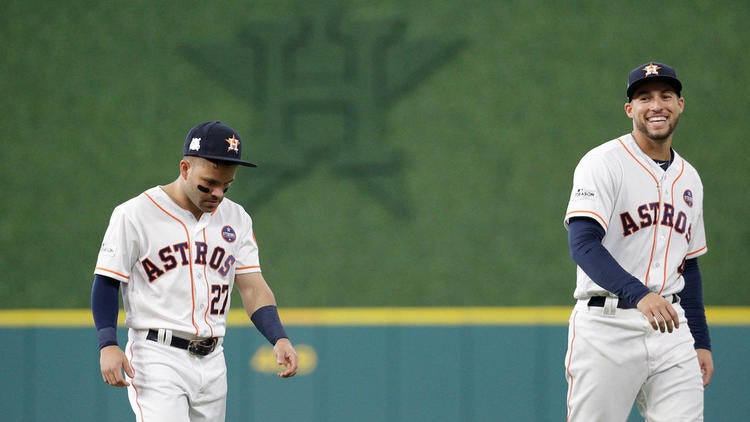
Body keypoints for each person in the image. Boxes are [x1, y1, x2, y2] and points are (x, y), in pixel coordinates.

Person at [91, 121, 298, 421]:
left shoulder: (236, 218)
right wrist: (107, 344)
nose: (217, 193)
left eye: (226, 186)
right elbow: (108, 281)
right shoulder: (134, 214)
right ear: (185, 168)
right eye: (208, 184)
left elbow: (252, 286)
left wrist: (279, 337)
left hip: (213, 360)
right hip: (157, 356)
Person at [563, 62, 714, 421]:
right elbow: (583, 243)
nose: (656, 105)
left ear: (680, 105)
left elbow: (687, 265)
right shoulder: (602, 163)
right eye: (644, 98)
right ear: (630, 110)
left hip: (671, 328)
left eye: (665, 96)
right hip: (606, 325)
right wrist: (639, 293)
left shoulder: (689, 178)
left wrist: (701, 339)